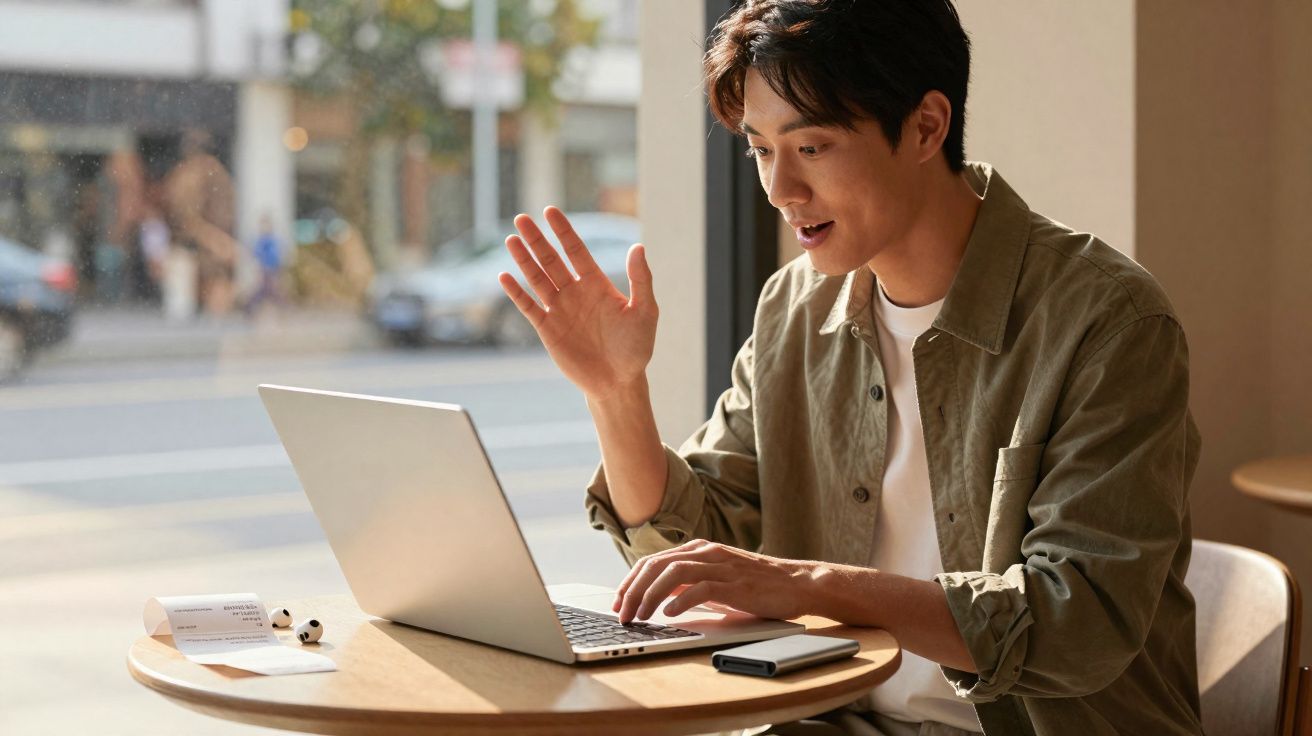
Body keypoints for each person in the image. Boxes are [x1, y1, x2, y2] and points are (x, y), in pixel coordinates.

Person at [497, 2, 1201, 735]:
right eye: (760, 150)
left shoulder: (1108, 321)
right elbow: (698, 552)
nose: (779, 190)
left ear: (927, 127)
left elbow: (1076, 623)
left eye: (813, 147)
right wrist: (616, 394)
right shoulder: (794, 308)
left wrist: (805, 585)